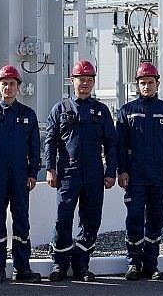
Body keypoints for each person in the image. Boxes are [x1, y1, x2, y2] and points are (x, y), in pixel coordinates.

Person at [44, 60, 118, 282]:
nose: (85, 83)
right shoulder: (60, 109)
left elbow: (111, 143)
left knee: (91, 219)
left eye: (89, 79)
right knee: (63, 218)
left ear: (93, 82)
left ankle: (81, 265)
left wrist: (110, 172)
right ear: (72, 81)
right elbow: (50, 141)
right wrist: (50, 168)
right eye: (80, 79)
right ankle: (59, 264)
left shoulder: (101, 110)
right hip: (68, 173)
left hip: (94, 174)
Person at [116, 61, 163, 281]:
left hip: (159, 176)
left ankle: (151, 264)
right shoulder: (127, 111)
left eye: (150, 82)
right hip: (135, 177)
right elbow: (120, 145)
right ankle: (133, 263)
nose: (146, 86)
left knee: (155, 219)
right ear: (137, 84)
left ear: (157, 84)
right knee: (134, 218)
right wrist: (122, 171)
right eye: (142, 83)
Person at [0, 65, 43, 284]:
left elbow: (35, 148)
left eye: (12, 83)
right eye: (4, 84)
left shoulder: (28, 114)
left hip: (20, 178)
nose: (8, 87)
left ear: (18, 87)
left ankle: (22, 267)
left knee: (21, 220)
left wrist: (33, 173)